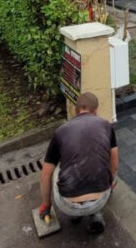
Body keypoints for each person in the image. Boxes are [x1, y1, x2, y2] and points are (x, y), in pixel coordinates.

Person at [38, 92, 118, 234]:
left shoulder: (60, 132)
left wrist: (46, 205)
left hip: (67, 204)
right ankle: (96, 215)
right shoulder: (106, 125)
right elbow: (115, 162)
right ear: (96, 110)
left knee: (54, 167)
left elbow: (45, 176)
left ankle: (75, 213)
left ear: (75, 111)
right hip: (101, 199)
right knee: (103, 162)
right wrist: (110, 183)